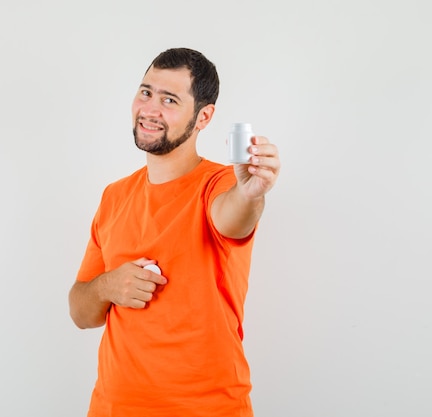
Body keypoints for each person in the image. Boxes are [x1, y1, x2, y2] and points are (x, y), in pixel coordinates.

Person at [69, 47, 280, 417]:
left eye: (169, 100)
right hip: (113, 407)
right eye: (146, 92)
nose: (150, 109)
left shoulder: (220, 184)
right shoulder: (114, 196)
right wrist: (108, 286)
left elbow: (233, 217)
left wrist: (249, 194)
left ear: (203, 117)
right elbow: (81, 313)